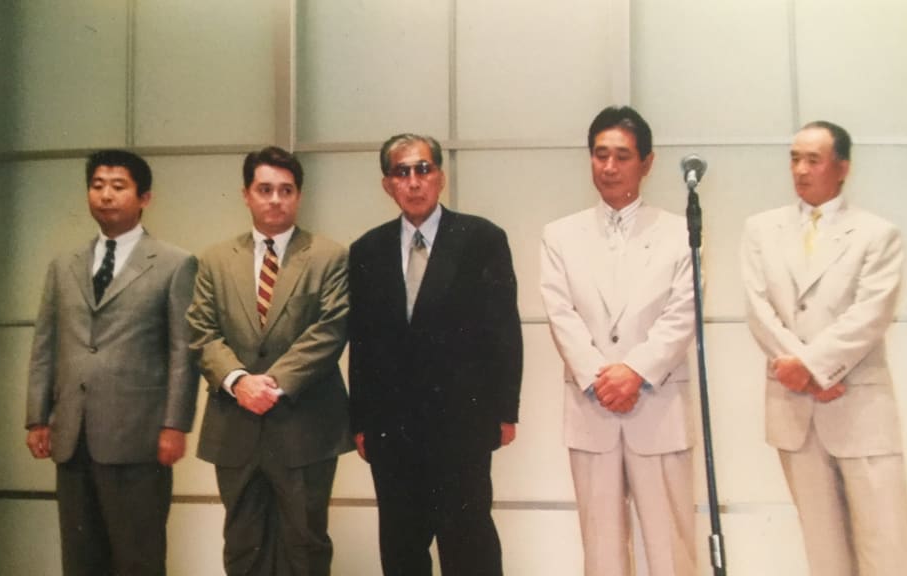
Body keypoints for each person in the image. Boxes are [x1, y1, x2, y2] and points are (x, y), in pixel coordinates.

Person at [741, 121, 907, 575]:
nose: (800, 170)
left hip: (859, 407)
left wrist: (817, 369)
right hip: (794, 410)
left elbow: (871, 314)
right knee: (825, 554)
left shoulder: (877, 234)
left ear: (842, 168)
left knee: (886, 547)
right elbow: (760, 310)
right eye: (794, 158)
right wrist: (799, 371)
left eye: (812, 160)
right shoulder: (761, 230)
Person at [348, 133, 523, 576]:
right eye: (401, 172)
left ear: (440, 177)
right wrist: (361, 421)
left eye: (423, 169)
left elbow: (504, 330)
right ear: (388, 184)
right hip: (392, 432)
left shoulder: (481, 238)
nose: (414, 181)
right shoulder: (367, 250)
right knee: (402, 548)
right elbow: (362, 342)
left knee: (469, 544)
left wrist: (505, 411)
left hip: (461, 425)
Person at [25, 149, 199, 576]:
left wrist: (175, 424)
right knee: (81, 558)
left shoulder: (174, 263)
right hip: (72, 434)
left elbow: (184, 351)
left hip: (138, 437)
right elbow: (45, 345)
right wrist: (36, 418)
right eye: (97, 185)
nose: (105, 195)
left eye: (118, 186)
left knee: (137, 557)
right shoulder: (63, 265)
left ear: (145, 197)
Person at [539, 106, 697, 576]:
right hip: (592, 407)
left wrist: (635, 372)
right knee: (601, 552)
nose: (609, 167)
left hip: (658, 404)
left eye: (622, 156)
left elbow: (682, 312)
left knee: (671, 547)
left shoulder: (679, 232)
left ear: (647, 163)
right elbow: (560, 314)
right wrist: (599, 377)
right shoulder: (559, 235)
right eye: (600, 155)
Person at [186, 146, 351, 576]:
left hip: (305, 426)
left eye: (286, 189)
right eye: (265, 189)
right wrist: (239, 381)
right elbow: (201, 332)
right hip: (235, 425)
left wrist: (271, 383)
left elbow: (330, 330)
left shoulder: (328, 256)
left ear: (299, 195)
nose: (275, 199)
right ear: (246, 195)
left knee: (306, 543)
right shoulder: (215, 260)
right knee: (242, 544)